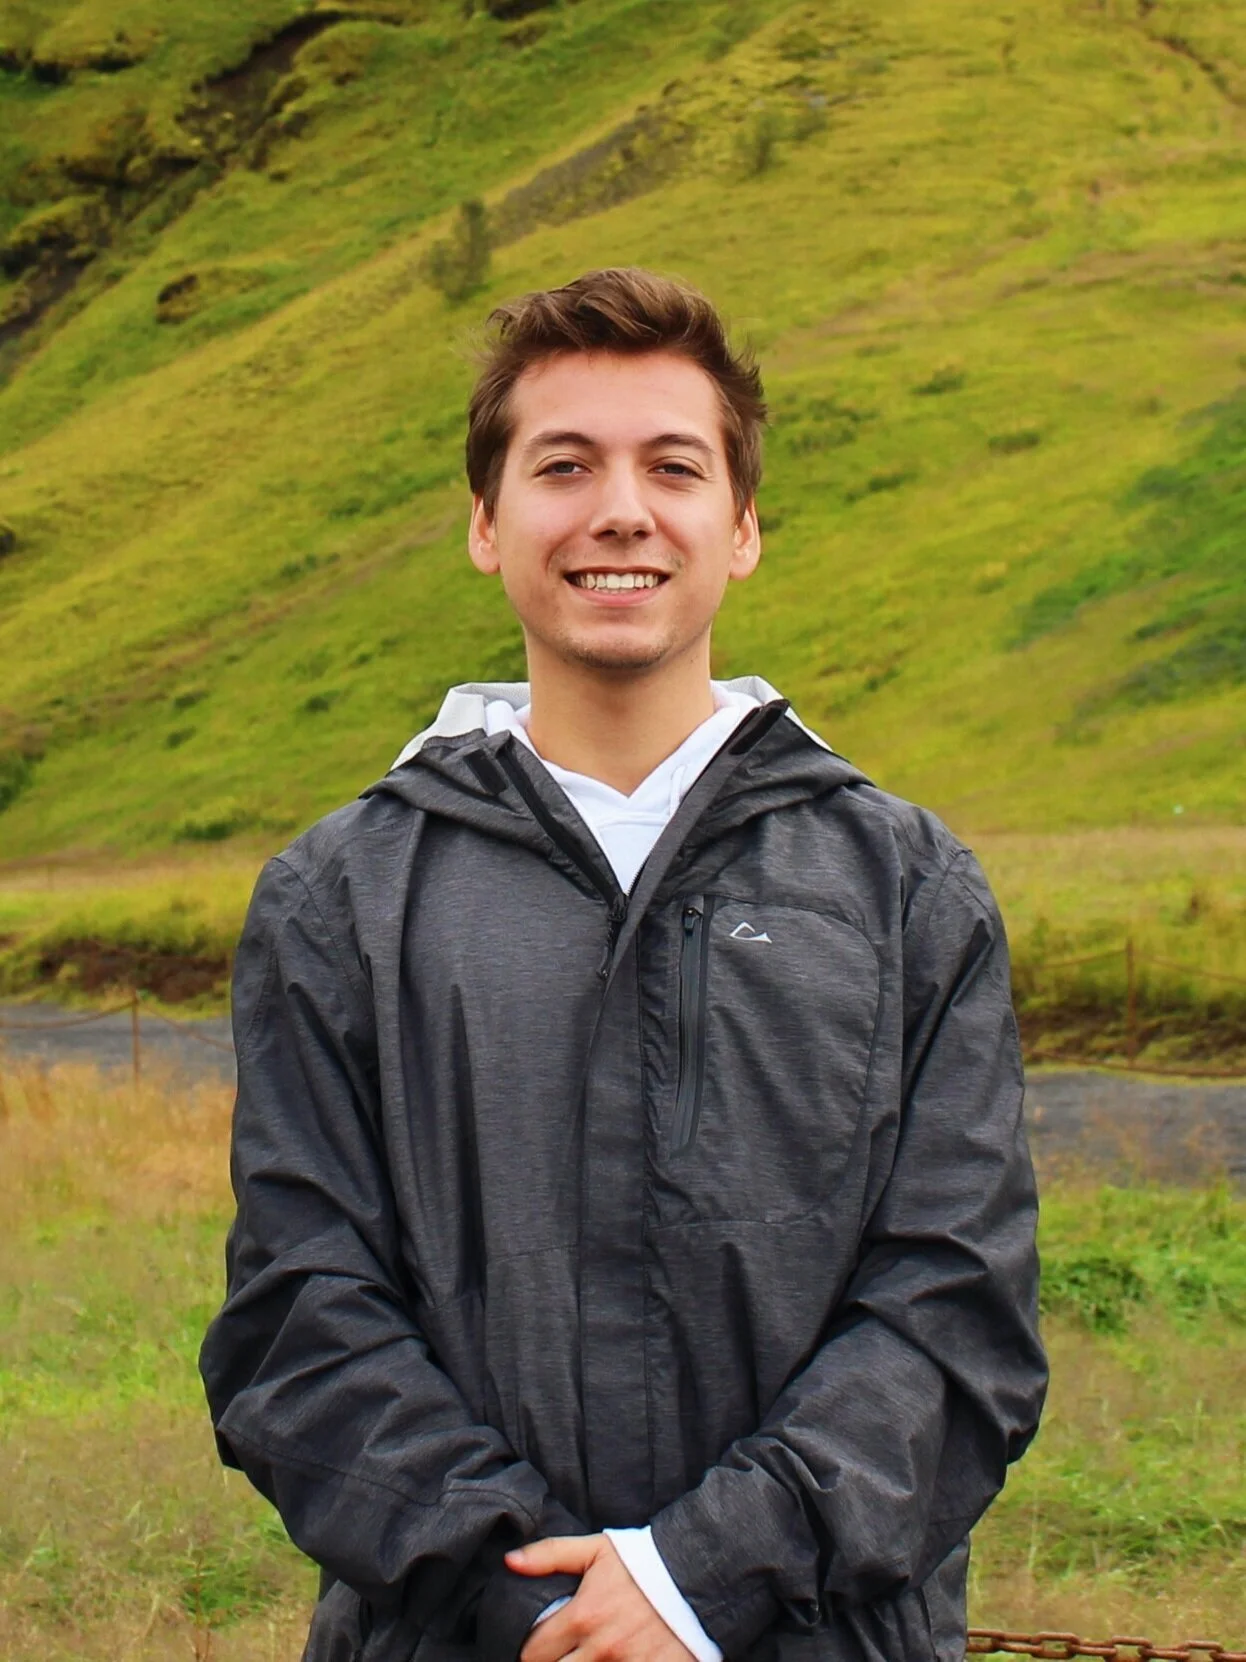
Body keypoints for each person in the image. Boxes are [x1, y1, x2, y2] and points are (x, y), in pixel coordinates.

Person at [200, 267, 1047, 1662]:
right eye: (563, 465)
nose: (620, 510)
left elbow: (956, 1316)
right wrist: (535, 1602)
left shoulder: (905, 886)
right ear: (487, 524)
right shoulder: (340, 895)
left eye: (673, 465)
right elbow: (299, 1316)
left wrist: (700, 1579)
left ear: (741, 525)